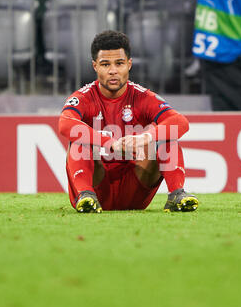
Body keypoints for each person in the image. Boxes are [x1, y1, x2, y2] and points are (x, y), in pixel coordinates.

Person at [59, 30, 199, 213]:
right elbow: (65, 123)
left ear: (129, 64)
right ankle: (85, 195)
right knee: (79, 137)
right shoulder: (84, 97)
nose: (113, 71)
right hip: (98, 188)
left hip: (134, 189)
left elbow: (180, 122)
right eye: (105, 64)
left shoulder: (142, 97)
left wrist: (146, 137)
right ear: (95, 66)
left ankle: (177, 194)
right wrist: (111, 143)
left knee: (167, 135)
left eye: (119, 63)